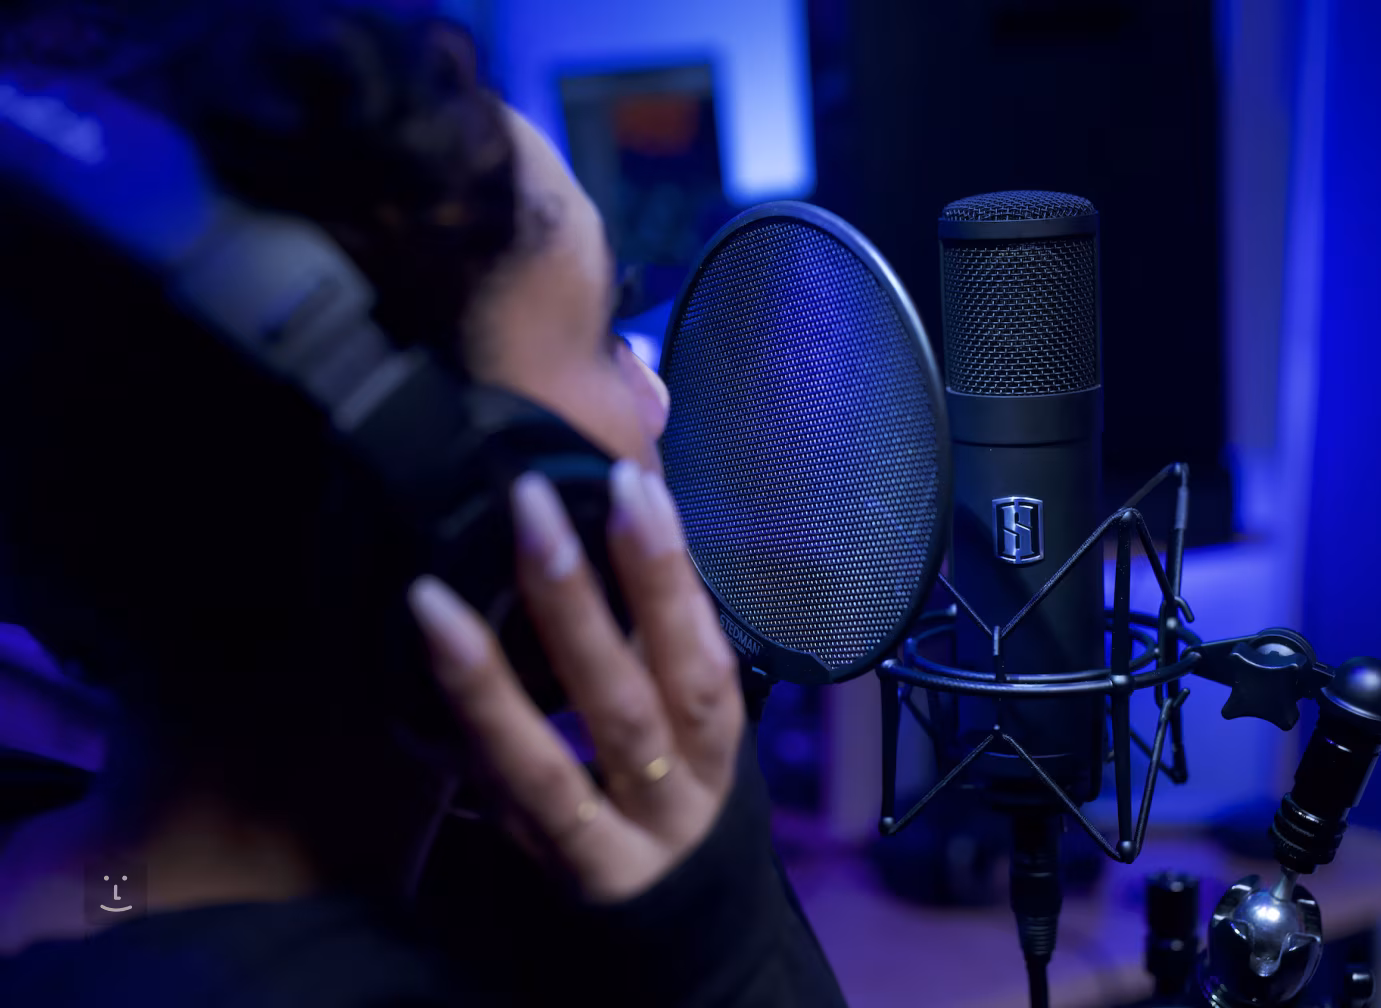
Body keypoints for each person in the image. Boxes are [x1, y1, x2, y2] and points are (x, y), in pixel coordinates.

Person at [0, 2, 849, 1005]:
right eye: (603, 333)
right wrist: (729, 958)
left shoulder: (90, 876)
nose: (656, 398)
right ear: (437, 489)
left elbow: (123, 903)